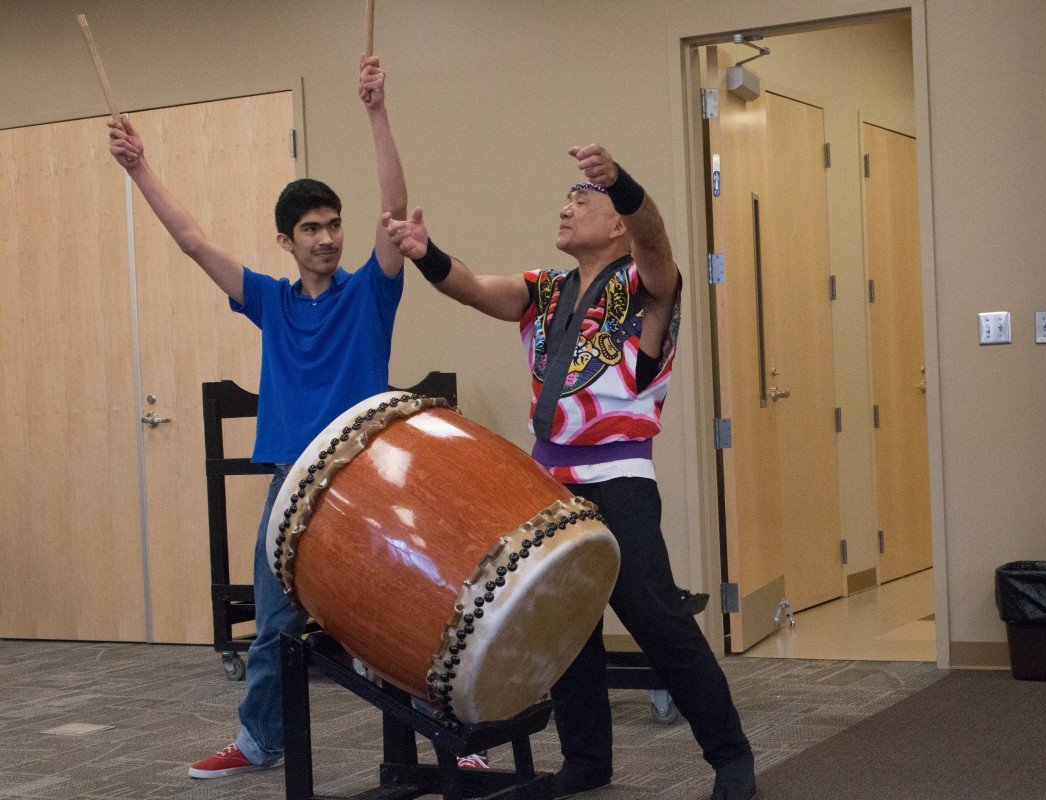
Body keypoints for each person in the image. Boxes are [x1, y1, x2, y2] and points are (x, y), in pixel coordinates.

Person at [383, 145, 757, 800]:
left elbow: (657, 238)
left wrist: (626, 185)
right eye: (566, 198)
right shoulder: (544, 291)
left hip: (619, 477)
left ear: (616, 223)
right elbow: (471, 289)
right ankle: (587, 761)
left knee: (657, 620)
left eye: (582, 199)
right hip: (546, 482)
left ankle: (731, 758)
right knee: (569, 624)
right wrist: (424, 251)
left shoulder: (647, 287)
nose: (566, 206)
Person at [109, 54, 408, 779]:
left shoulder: (370, 293)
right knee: (274, 626)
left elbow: (395, 214)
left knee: (405, 622)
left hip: (366, 481)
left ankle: (446, 740)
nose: (328, 238)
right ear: (286, 239)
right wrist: (139, 169)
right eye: (312, 228)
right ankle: (257, 742)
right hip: (291, 487)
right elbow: (192, 241)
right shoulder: (270, 300)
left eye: (334, 225)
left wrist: (375, 110)